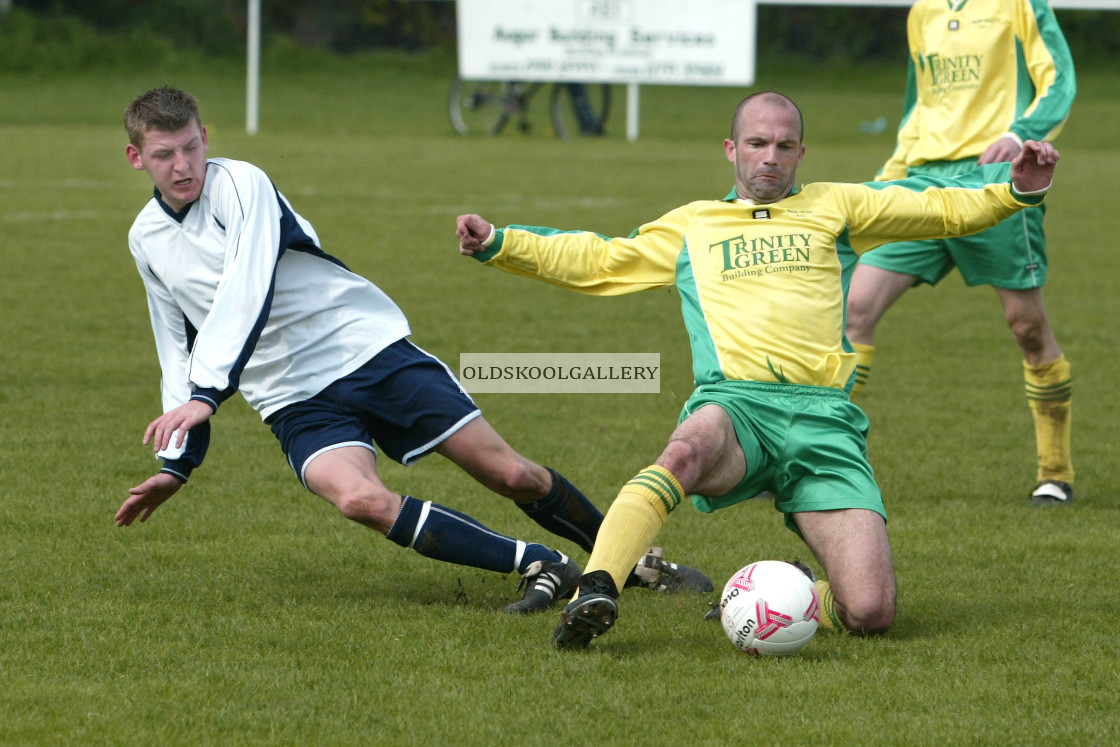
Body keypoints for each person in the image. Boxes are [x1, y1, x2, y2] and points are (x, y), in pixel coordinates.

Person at [456, 91, 1060, 648]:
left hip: (824, 423)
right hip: (737, 405)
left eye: (784, 146)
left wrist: (1017, 190)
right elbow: (600, 259)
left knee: (871, 615)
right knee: (684, 453)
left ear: (801, 152)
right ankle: (598, 589)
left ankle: (783, 593)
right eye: (757, 144)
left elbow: (941, 210)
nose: (770, 158)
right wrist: (500, 243)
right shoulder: (694, 224)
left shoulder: (840, 206)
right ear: (731, 150)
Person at [115, 85, 711, 615]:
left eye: (191, 146)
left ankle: (633, 564)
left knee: (512, 474)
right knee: (360, 501)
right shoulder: (146, 238)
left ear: (205, 137)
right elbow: (175, 342)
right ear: (136, 158)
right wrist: (178, 461)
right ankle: (541, 562)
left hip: (365, 350)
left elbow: (248, 289)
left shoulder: (240, 184)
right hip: (291, 397)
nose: (183, 164)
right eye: (165, 155)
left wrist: (210, 395)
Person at [845, 0, 1077, 506]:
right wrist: (889, 181)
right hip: (924, 181)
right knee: (855, 309)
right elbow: (917, 108)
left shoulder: (1020, 4)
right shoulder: (922, 12)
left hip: (998, 178)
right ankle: (823, 456)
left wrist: (1020, 134)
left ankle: (1055, 471)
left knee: (1027, 328)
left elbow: (1060, 78)